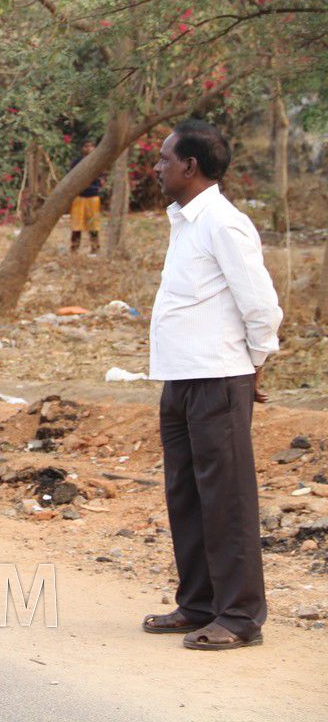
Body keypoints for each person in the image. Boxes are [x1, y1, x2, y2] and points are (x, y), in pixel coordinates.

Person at [142, 119, 281, 651]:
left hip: (218, 376)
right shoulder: (186, 221)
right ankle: (198, 602)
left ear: (190, 166)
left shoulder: (225, 223)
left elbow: (260, 304)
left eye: (164, 159)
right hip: (180, 376)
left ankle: (240, 615)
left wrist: (257, 362)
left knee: (227, 498)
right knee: (186, 494)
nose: (157, 167)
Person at [70, 140, 102, 253]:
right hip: (79, 196)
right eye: (86, 146)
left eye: (91, 146)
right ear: (82, 148)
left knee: (93, 224)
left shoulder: (98, 162)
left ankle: (95, 247)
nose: (88, 148)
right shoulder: (76, 162)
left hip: (93, 196)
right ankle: (74, 247)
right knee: (76, 224)